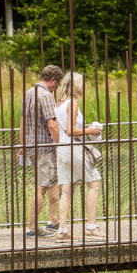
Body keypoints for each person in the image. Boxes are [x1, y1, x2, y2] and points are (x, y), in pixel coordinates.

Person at [54, 72, 103, 241]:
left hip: (61, 149)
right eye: (82, 84)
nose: (84, 88)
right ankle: (90, 227)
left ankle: (62, 231)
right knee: (94, 184)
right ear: (76, 85)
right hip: (73, 148)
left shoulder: (59, 103)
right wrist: (91, 130)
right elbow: (70, 131)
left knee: (67, 190)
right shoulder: (73, 103)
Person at [19, 64, 64, 237]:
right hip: (45, 147)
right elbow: (52, 124)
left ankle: (53, 219)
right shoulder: (46, 96)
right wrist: (63, 144)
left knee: (53, 181)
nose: (56, 88)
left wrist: (22, 145)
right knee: (42, 187)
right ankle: (31, 227)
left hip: (31, 146)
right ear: (53, 80)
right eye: (57, 84)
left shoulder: (28, 93)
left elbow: (22, 122)